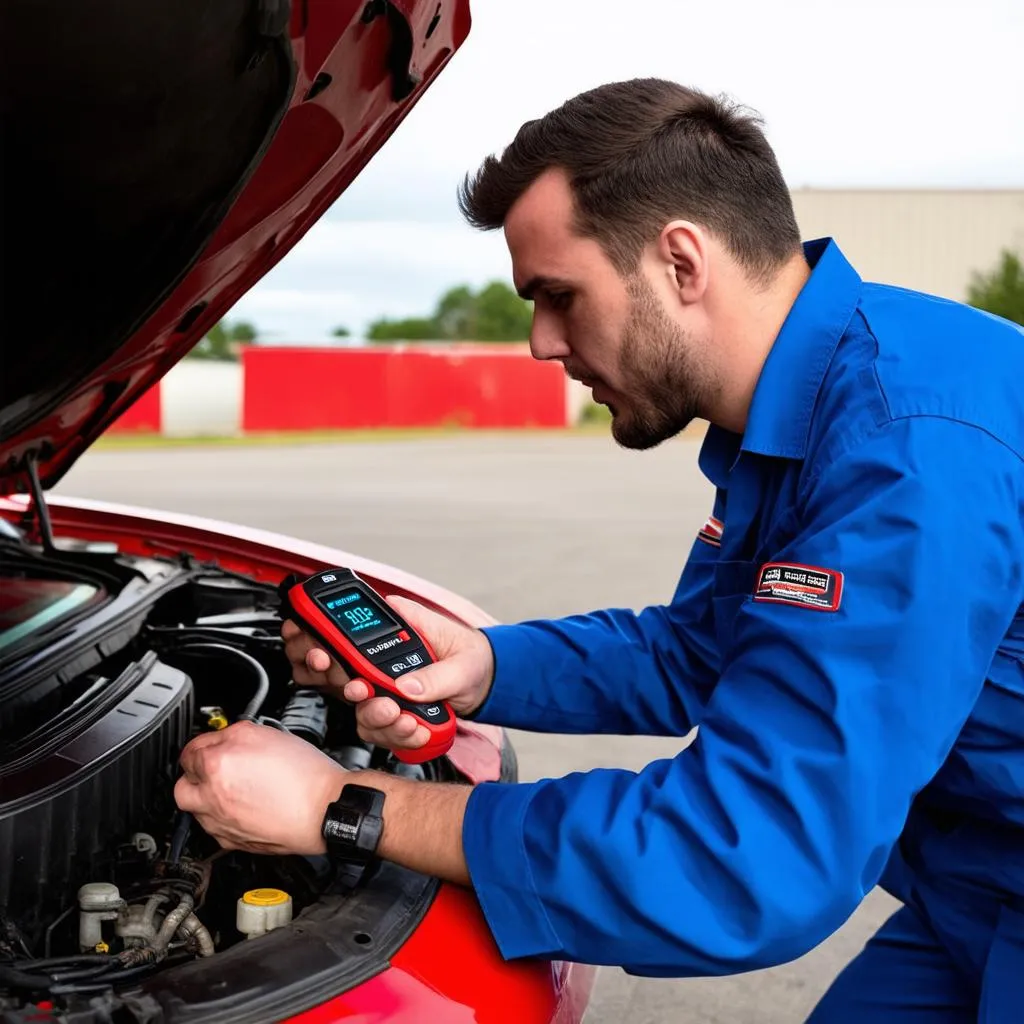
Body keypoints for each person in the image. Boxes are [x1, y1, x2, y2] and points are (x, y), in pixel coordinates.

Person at [173, 78, 1024, 1022]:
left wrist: (348, 808)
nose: (540, 343)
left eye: (558, 296)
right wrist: (484, 663)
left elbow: (742, 855)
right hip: (976, 892)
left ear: (681, 262)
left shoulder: (909, 450)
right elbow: (703, 647)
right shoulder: (814, 405)